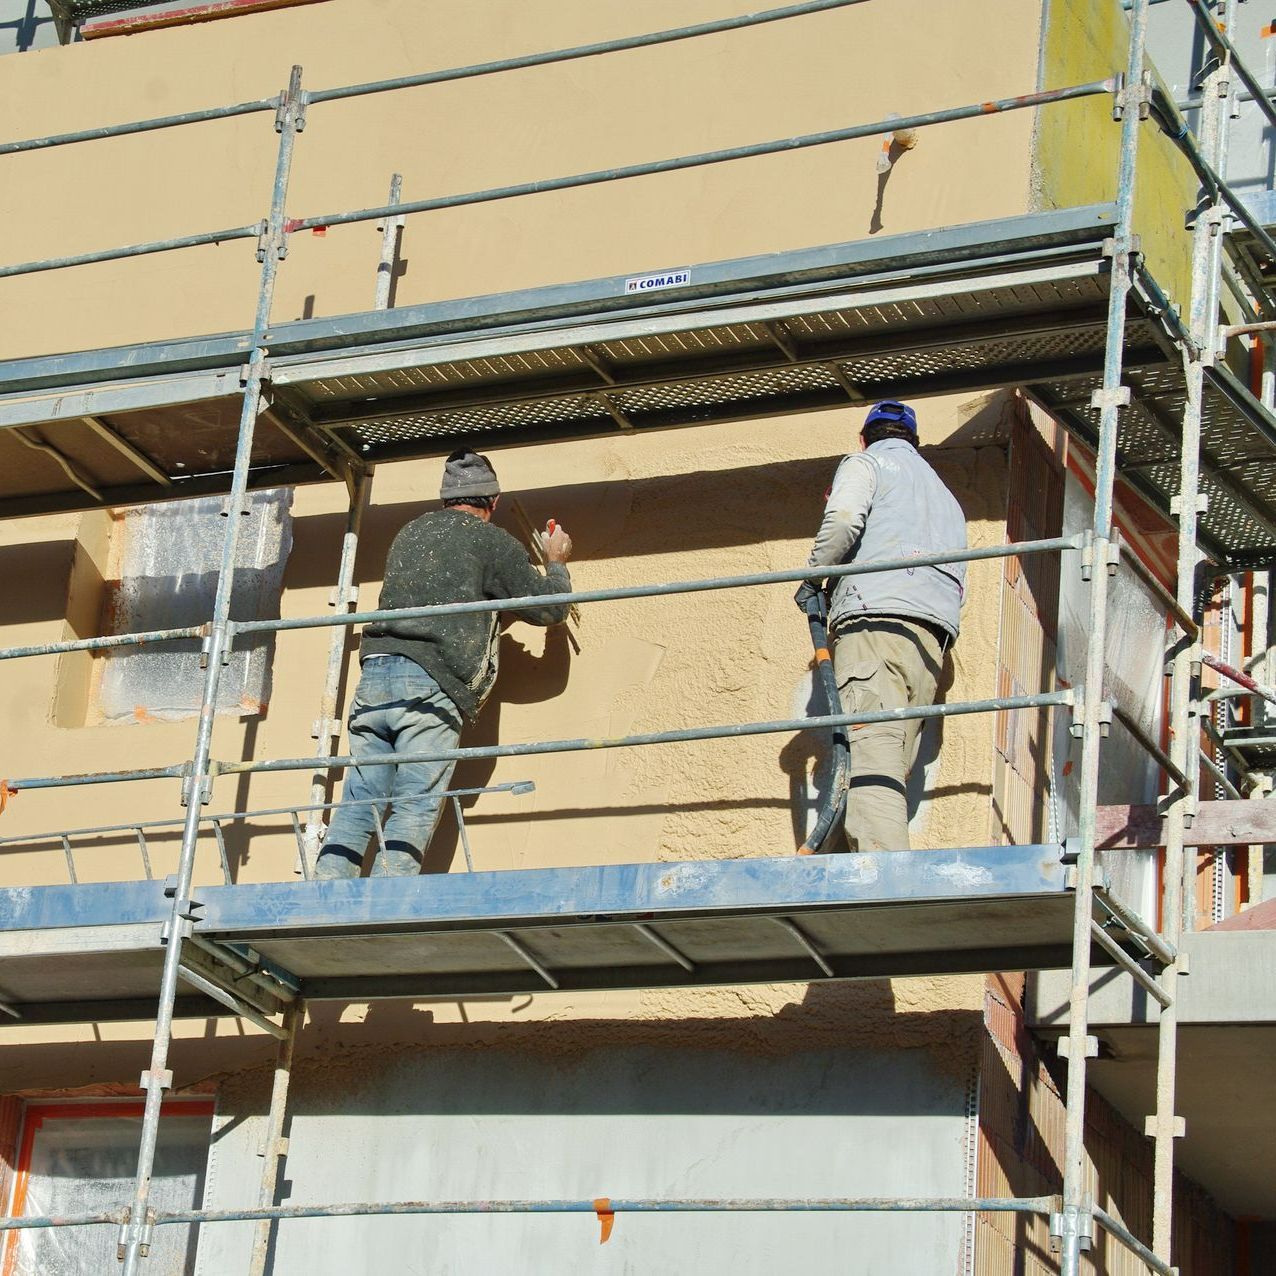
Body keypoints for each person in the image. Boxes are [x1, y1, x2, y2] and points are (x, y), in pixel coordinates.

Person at [315, 448, 573, 878]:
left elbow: (439, 592)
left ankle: (324, 893)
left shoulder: (411, 532)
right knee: (416, 801)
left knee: (361, 799)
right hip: (429, 683)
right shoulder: (490, 540)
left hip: (375, 674)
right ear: (494, 501)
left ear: (446, 499)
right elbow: (550, 609)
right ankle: (385, 902)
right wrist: (556, 563)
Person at [795, 400, 965, 852]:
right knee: (892, 761)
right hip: (931, 640)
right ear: (915, 442)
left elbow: (844, 519)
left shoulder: (867, 463)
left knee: (871, 754)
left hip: (876, 621)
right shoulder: (946, 497)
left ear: (863, 438)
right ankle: (855, 860)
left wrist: (814, 577)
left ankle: (883, 873)